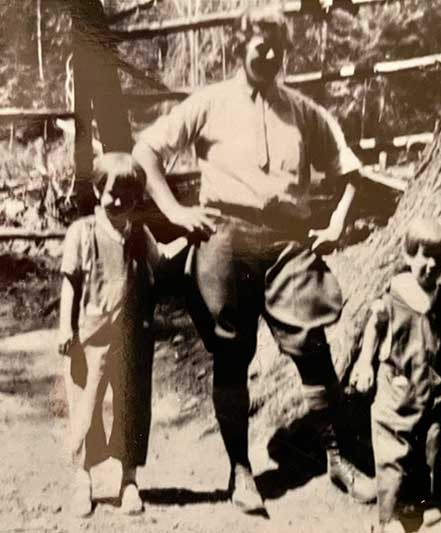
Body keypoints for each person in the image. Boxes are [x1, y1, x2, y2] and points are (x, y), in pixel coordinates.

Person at [132, 4, 374, 513]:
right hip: (224, 238)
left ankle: (338, 456)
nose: (267, 53)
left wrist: (336, 225)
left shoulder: (303, 111)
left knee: (313, 345)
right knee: (231, 353)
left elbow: (350, 171)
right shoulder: (209, 104)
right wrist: (175, 212)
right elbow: (146, 152)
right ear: (239, 45)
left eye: (276, 46)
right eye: (258, 44)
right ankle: (240, 470)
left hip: (288, 242)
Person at [57, 152, 187, 517]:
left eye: (128, 196)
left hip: (134, 336)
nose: (119, 202)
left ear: (137, 199)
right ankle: (83, 480)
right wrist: (66, 325)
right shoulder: (82, 233)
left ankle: (128, 480)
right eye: (112, 193)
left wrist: (190, 238)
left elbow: (160, 261)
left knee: (132, 405)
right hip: (92, 336)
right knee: (87, 405)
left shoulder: (139, 234)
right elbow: (70, 282)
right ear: (98, 191)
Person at [350, 218, 441, 533]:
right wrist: (364, 363)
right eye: (425, 255)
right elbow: (374, 327)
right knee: (392, 452)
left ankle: (422, 502)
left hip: (432, 387)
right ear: (409, 255)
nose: (431, 264)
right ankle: (390, 516)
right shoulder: (395, 294)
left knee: (430, 446)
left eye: (440, 259)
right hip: (396, 386)